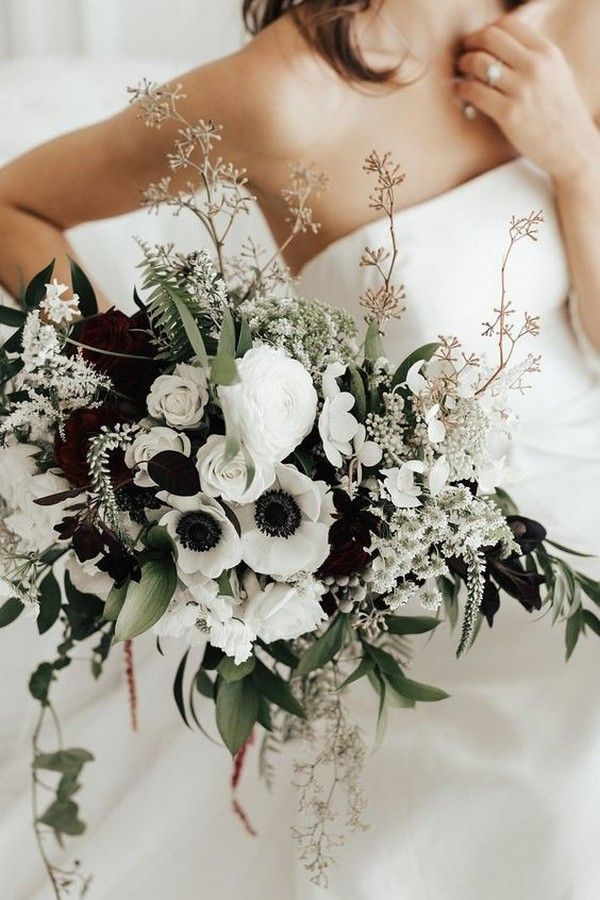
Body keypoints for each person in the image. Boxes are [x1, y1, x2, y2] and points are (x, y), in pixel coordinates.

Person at [0, 1, 599, 897]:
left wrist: (578, 163)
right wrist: (144, 402)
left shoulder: (578, 21)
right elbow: (16, 205)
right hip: (457, 557)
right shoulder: (288, 90)